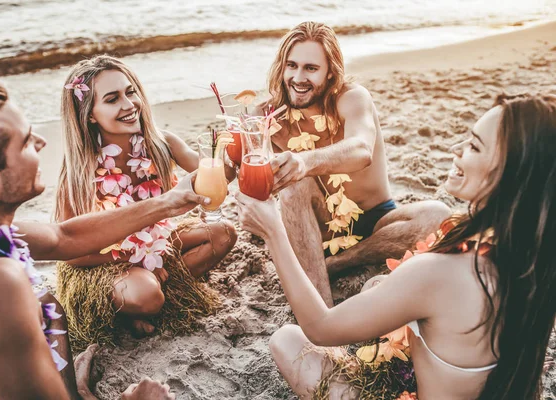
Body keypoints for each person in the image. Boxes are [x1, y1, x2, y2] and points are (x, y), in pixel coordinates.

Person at [237, 94, 556, 399]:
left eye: (473, 145)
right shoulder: (533, 253)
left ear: (510, 173)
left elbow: (320, 328)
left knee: (287, 341)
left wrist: (273, 232)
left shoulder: (444, 273)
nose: (456, 148)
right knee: (377, 284)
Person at [0, 67, 191, 398]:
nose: (41, 142)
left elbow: (63, 238)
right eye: (25, 141)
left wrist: (169, 203)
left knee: (47, 303)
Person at [258, 21, 450, 306]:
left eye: (311, 68)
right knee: (294, 185)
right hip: (315, 230)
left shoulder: (351, 98)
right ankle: (321, 310)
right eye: (292, 66)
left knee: (438, 214)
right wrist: (239, 143)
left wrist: (303, 160)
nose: (298, 77)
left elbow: (361, 149)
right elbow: (237, 176)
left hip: (377, 221)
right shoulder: (270, 117)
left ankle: (337, 265)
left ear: (330, 71)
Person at [54, 55, 237, 347]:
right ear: (90, 114)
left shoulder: (162, 144)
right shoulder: (80, 171)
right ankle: (142, 299)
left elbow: (212, 178)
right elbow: (70, 253)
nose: (129, 105)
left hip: (156, 244)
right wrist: (133, 257)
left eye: (131, 92)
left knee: (224, 232)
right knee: (147, 296)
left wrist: (233, 153)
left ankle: (158, 287)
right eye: (112, 99)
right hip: (104, 261)